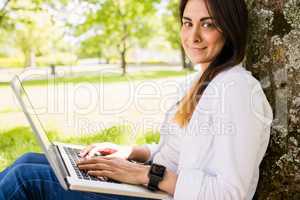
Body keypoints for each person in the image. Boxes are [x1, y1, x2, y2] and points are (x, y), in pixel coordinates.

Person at [0, 0, 273, 199]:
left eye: (208, 24)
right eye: (188, 23)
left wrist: (142, 175)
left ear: (230, 29)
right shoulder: (201, 82)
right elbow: (178, 153)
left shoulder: (238, 91)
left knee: (25, 180)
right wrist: (130, 153)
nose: (193, 37)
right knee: (26, 161)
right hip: (151, 186)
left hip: (159, 194)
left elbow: (230, 194)